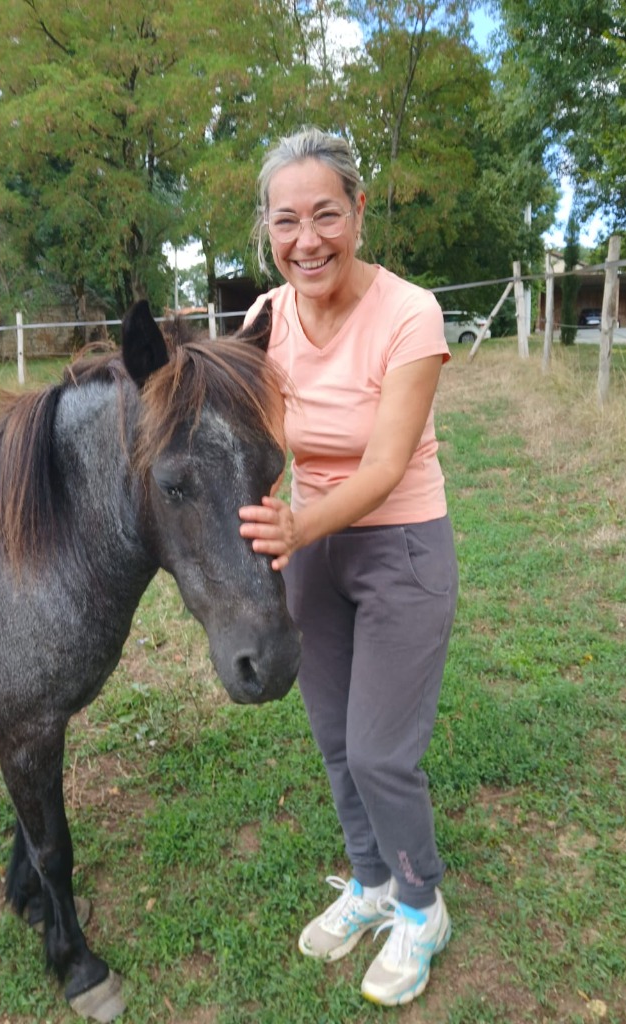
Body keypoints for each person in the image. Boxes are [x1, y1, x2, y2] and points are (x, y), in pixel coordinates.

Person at [238, 126, 458, 1008]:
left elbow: (384, 466)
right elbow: (243, 431)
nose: (308, 240)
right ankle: (370, 883)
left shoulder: (411, 313)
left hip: (400, 542)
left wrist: (296, 527)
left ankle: (420, 903)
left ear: (359, 211)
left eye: (326, 213)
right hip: (309, 549)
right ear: (267, 228)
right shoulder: (265, 317)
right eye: (287, 220)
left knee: (379, 751)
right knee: (335, 739)